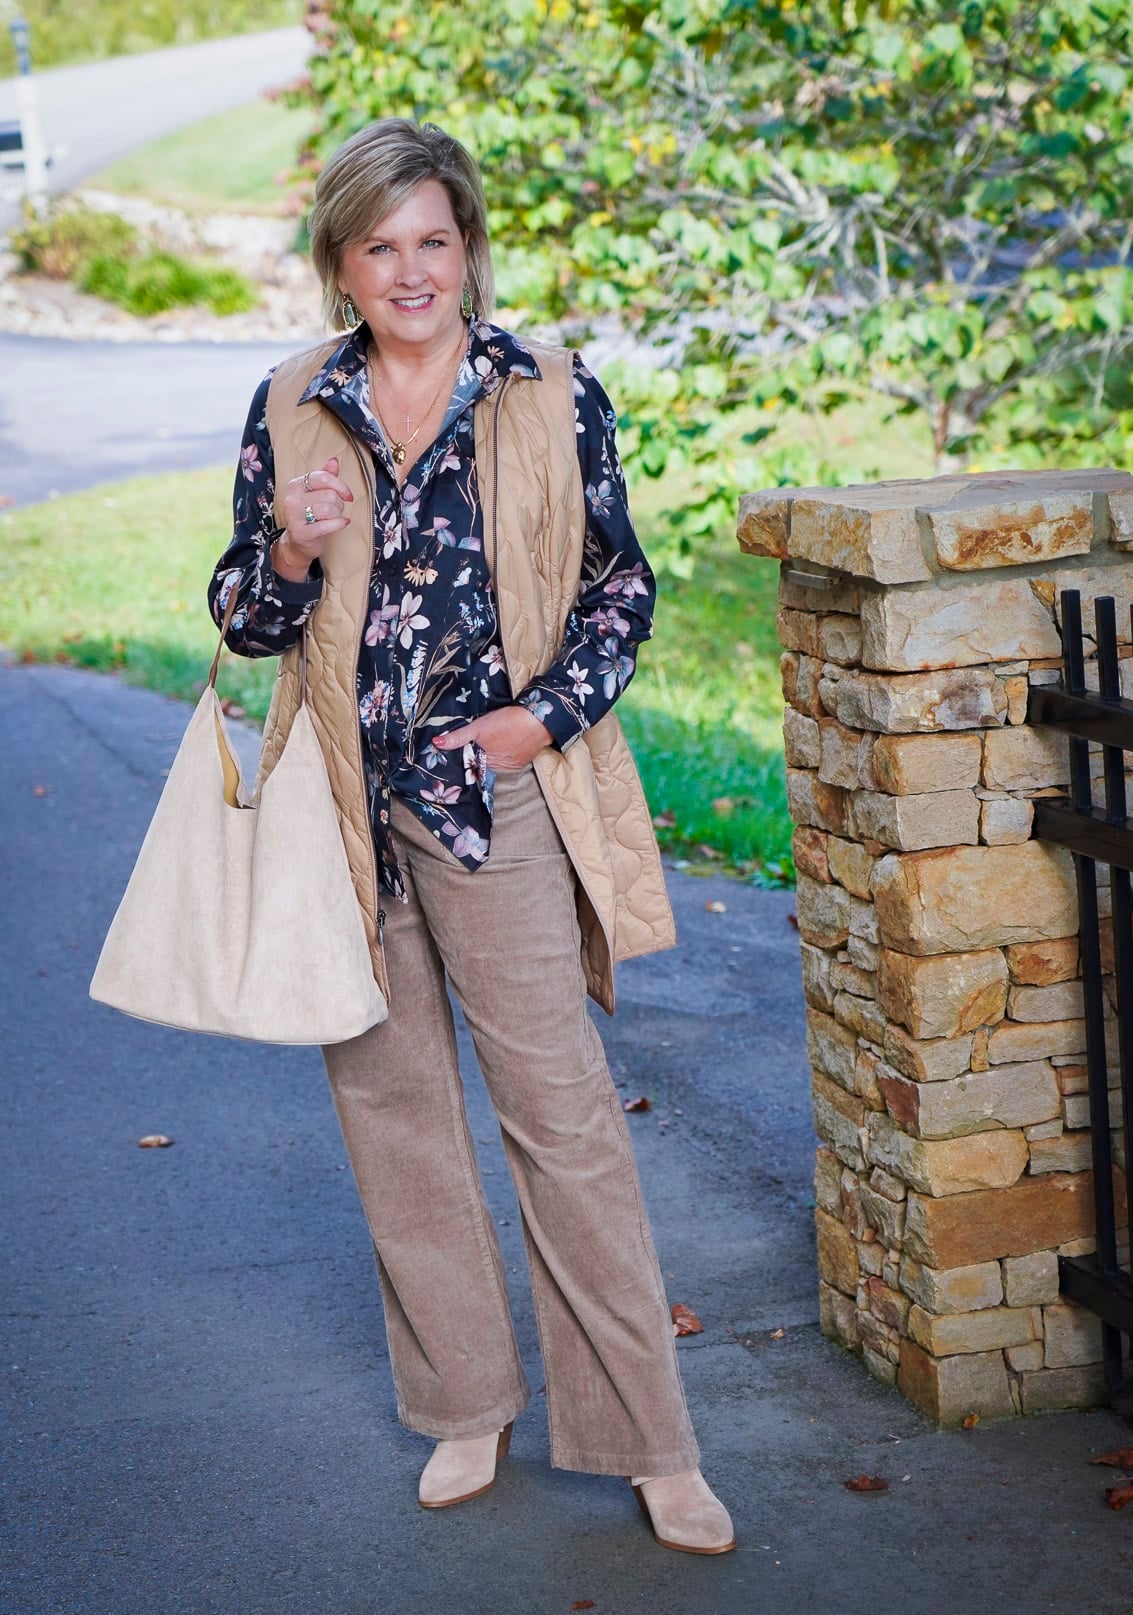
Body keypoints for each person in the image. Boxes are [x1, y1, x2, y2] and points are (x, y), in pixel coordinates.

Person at [206, 117, 735, 1555]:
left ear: (467, 246)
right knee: (394, 1123)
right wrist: (297, 549)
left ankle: (652, 1445)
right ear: (341, 263)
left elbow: (622, 593)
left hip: (492, 802)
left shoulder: (550, 394)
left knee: (562, 1121)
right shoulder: (292, 400)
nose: (409, 268)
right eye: (378, 246)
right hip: (338, 812)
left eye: (432, 239)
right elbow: (246, 619)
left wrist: (536, 722)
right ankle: (464, 1407)